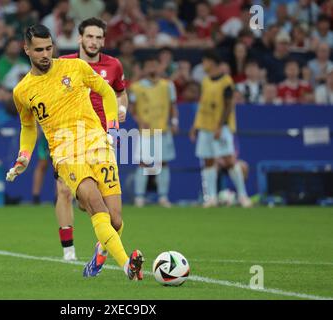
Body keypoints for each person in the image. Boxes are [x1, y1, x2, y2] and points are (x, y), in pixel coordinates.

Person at [6, 24, 144, 281]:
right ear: (26, 50)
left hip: (98, 144)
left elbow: (106, 91)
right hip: (65, 153)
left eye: (49, 48)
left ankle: (100, 253)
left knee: (115, 220)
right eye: (38, 50)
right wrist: (23, 156)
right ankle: (128, 265)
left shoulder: (76, 67)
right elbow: (28, 126)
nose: (45, 54)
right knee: (93, 202)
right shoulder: (22, 91)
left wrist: (112, 126)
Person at [53, 17, 128, 263]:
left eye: (98, 37)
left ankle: (102, 248)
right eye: (89, 36)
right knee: (63, 190)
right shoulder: (63, 64)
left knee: (99, 208)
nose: (94, 42)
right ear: (80, 38)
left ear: (103, 40)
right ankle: (69, 252)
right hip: (69, 137)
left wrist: (122, 110)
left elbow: (120, 93)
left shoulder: (113, 66)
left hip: (101, 139)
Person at [189, 49, 251, 208]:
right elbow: (202, 105)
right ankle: (211, 198)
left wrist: (220, 126)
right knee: (208, 162)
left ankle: (243, 196)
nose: (203, 65)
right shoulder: (205, 81)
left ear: (212, 62)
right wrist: (195, 126)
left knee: (229, 160)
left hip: (221, 128)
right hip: (205, 127)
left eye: (205, 61)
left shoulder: (226, 81)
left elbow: (229, 105)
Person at [129, 56, 179, 208]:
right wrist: (139, 120)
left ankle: (163, 197)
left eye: (154, 65)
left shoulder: (168, 85)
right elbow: (132, 107)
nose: (152, 68)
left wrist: (175, 122)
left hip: (163, 129)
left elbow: (173, 106)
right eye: (149, 65)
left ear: (159, 67)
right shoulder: (136, 87)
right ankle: (140, 197)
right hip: (145, 131)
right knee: (143, 163)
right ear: (144, 69)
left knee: (163, 163)